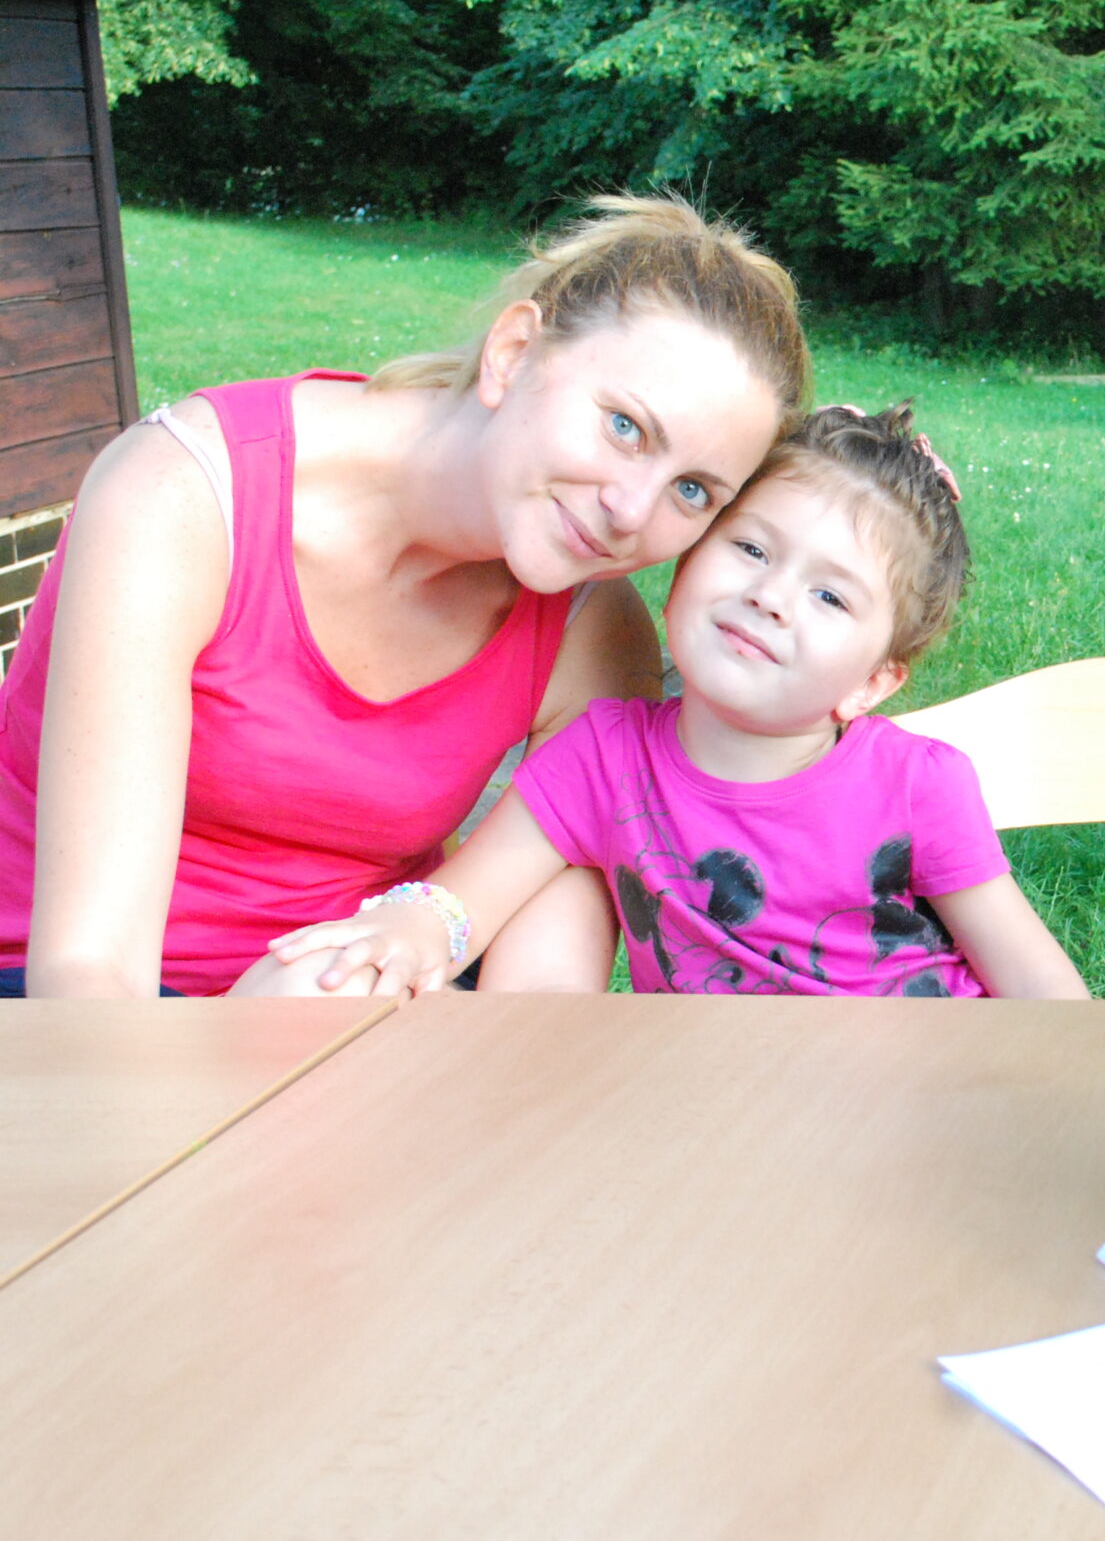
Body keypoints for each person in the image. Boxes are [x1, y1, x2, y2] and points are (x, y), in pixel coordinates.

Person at [0, 194, 811, 999]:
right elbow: (87, 971)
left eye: (693, 490)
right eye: (625, 427)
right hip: (66, 1011)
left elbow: (540, 996)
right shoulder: (186, 495)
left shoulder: (590, 628)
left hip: (356, 1004)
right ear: (513, 353)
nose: (631, 512)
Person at [262, 404, 1089, 1001]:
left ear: (871, 684)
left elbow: (1041, 991)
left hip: (912, 1101)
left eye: (830, 597)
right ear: (685, 565)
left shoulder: (916, 786)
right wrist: (408, 931)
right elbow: (462, 900)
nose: (770, 597)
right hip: (708, 1115)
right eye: (752, 549)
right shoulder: (604, 757)